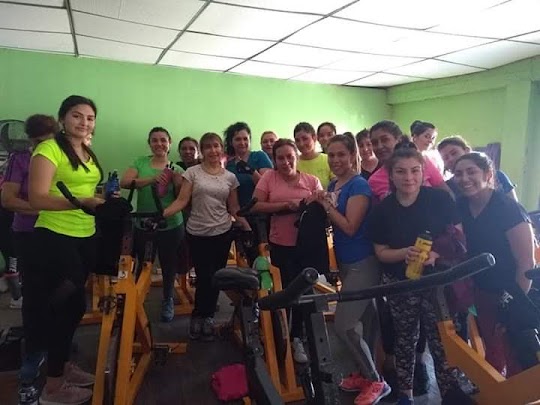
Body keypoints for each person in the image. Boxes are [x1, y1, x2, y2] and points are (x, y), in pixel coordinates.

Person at [366, 141, 473, 405]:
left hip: (437, 280)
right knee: (405, 339)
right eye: (401, 171)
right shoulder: (383, 210)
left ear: (423, 172)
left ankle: (450, 394)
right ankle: (406, 395)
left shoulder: (440, 199)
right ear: (391, 175)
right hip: (400, 282)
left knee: (442, 340)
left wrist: (437, 253)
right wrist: (405, 253)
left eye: (415, 170)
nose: (409, 177)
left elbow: (459, 237)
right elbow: (381, 252)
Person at [28, 95, 105, 404]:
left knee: (75, 308)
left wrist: (100, 200)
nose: (84, 122)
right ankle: (53, 388)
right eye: (77, 115)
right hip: (55, 235)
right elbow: (36, 198)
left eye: (90, 118)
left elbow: (87, 189)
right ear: (62, 118)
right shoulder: (48, 149)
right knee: (63, 308)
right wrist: (80, 202)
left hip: (85, 234)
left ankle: (61, 367)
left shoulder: (86, 150)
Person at [314, 134, 391, 404]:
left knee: (344, 326)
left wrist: (325, 205)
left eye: (341, 155)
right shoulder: (334, 184)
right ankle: (363, 373)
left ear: (352, 156)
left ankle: (376, 380)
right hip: (346, 262)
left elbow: (349, 226)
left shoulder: (359, 185)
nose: (335, 160)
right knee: (366, 322)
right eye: (331, 155)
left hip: (364, 263)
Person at [454, 152, 535, 376]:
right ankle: (495, 390)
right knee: (493, 348)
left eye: (471, 171)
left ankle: (519, 392)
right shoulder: (461, 206)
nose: (464, 178)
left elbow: (526, 262)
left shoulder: (508, 208)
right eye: (458, 174)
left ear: (488, 174)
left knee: (516, 353)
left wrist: (513, 303)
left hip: (512, 290)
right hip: (482, 289)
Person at [163, 132, 250, 341]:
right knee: (203, 277)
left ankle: (208, 317)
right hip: (197, 233)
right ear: (202, 151)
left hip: (222, 232)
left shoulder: (230, 177)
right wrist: (162, 215)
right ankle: (198, 316)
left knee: (216, 276)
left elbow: (234, 208)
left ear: (222, 149)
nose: (213, 150)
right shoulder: (192, 173)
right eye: (208, 146)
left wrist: (246, 225)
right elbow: (182, 201)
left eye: (216, 146)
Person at [252, 139, 322, 363]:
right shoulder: (269, 178)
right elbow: (255, 205)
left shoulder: (311, 180)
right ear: (274, 160)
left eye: (289, 157)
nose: (285, 162)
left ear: (296, 157)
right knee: (286, 291)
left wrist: (316, 201)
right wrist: (285, 205)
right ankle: (285, 336)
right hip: (281, 244)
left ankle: (299, 336)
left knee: (305, 292)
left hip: (307, 244)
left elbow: (323, 206)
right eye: (280, 158)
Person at [120, 126, 184, 322]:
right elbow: (125, 182)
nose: (159, 144)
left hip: (171, 223)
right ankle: (136, 300)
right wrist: (152, 179)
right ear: (149, 144)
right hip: (144, 222)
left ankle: (168, 299)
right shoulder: (140, 162)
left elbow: (182, 197)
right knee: (143, 263)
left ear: (169, 143)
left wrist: (176, 182)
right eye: (154, 140)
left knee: (169, 264)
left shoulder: (177, 169)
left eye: (163, 140)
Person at [2, 115, 57, 312]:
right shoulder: (20, 160)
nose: (45, 147)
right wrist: (42, 208)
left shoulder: (60, 158)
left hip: (57, 231)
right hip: (28, 232)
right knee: (34, 288)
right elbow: (8, 200)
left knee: (57, 286)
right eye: (39, 142)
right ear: (30, 139)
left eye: (50, 142)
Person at [369, 120, 450, 203]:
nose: (379, 146)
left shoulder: (423, 162)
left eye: (385, 140)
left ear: (399, 140)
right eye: (374, 143)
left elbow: (447, 196)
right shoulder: (374, 181)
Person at [437, 135, 518, 201]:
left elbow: (515, 206)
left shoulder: (498, 176)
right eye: (445, 158)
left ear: (466, 150)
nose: (450, 159)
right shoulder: (447, 187)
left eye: (454, 153)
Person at [294, 122, 333, 189]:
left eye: (305, 139)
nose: (301, 144)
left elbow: (337, 185)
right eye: (297, 140)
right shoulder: (293, 164)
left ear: (314, 138)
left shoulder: (328, 160)